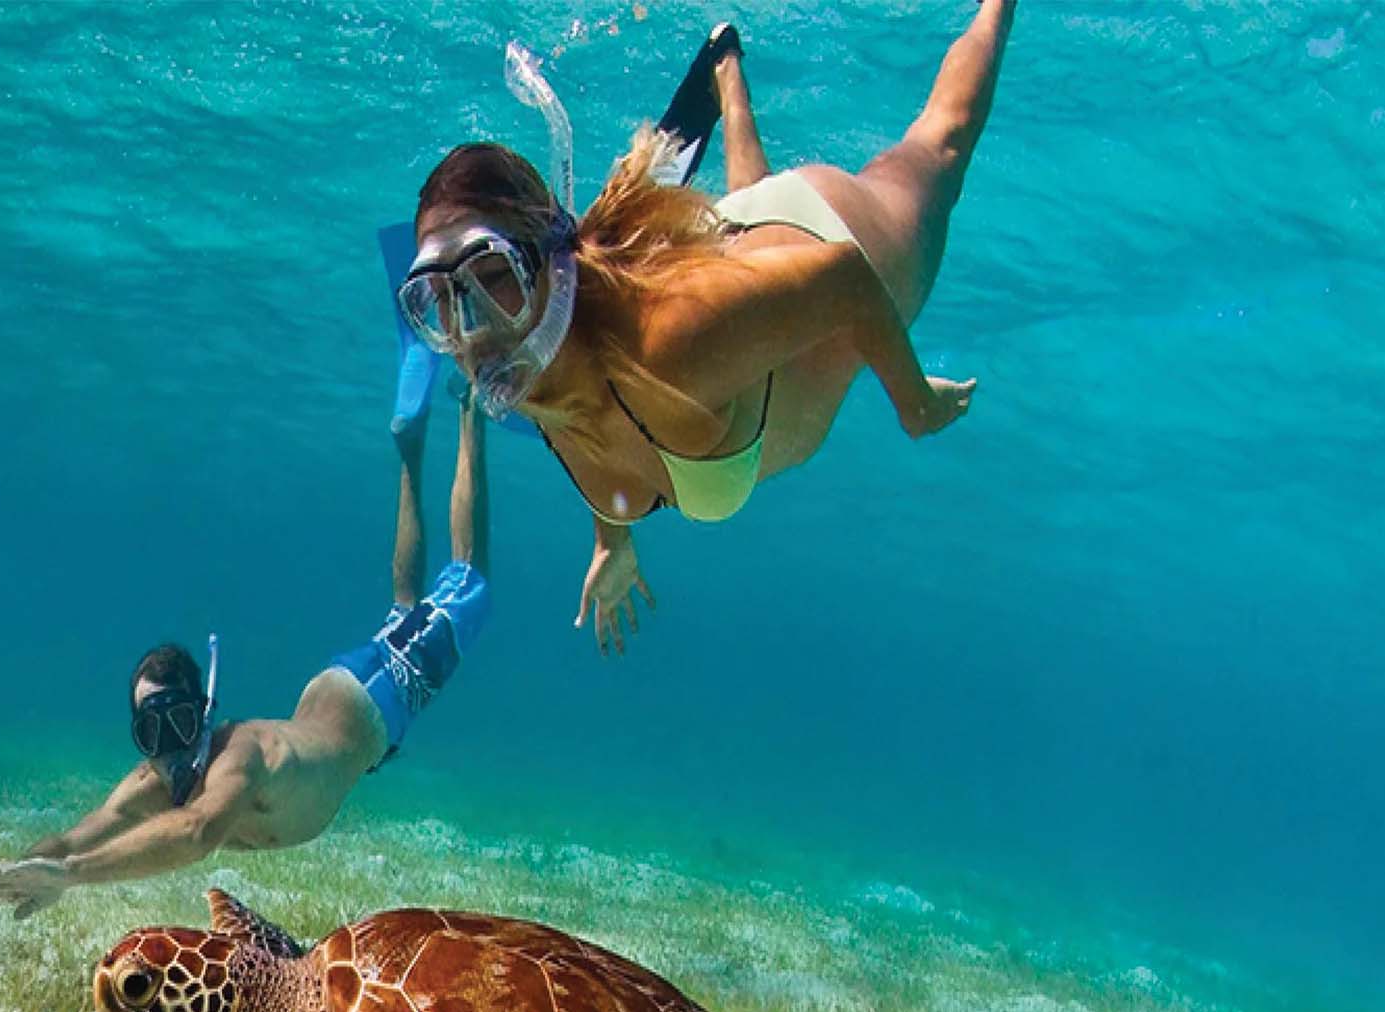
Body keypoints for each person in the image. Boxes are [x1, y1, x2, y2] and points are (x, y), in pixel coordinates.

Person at [399, 2, 1014, 655]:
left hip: (828, 232)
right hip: (734, 241)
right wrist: (614, 539)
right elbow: (587, 424)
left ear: (551, 264)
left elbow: (847, 282)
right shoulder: (533, 370)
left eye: (491, 274)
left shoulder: (677, 339)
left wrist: (914, 403)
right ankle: (727, 69)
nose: (471, 331)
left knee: (942, 142)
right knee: (746, 213)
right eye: (436, 299)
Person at [0, 392, 493, 918]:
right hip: (336, 705)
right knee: (404, 606)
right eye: (150, 734)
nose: (168, 750)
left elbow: (197, 831)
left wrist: (71, 877)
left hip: (381, 694)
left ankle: (470, 407)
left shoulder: (240, 756)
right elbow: (69, 841)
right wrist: (21, 871)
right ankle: (409, 446)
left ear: (203, 711)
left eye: (176, 724)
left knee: (470, 578)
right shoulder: (150, 782)